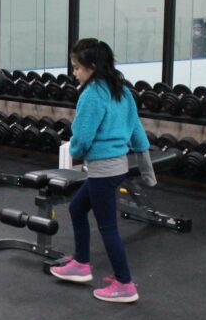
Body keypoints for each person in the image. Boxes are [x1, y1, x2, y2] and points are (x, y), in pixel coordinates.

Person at [48, 38, 156, 303]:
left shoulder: (92, 95)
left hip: (103, 171)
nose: (75, 73)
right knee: (77, 208)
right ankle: (81, 264)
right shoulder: (121, 90)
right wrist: (146, 168)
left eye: (77, 67)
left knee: (108, 228)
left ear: (92, 67)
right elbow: (137, 130)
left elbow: (83, 136)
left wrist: (74, 149)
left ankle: (125, 284)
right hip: (116, 168)